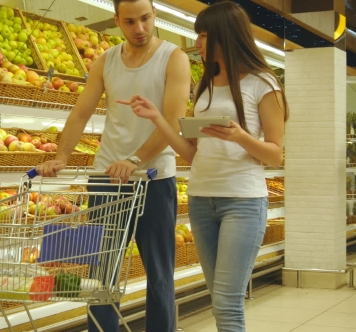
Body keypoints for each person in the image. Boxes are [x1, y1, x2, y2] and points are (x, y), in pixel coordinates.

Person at [117, 1, 289, 331]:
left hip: (243, 203)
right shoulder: (205, 86)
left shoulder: (263, 84)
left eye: (203, 35)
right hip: (201, 201)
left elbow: (275, 155)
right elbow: (193, 154)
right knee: (218, 298)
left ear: (227, 34)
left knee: (226, 303)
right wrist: (158, 118)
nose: (197, 43)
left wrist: (238, 135)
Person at [36, 0, 191, 330]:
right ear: (117, 21)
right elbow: (81, 113)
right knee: (102, 274)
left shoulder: (174, 58)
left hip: (154, 179)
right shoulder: (105, 61)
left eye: (146, 19)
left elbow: (174, 121)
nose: (140, 29)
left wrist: (134, 159)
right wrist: (62, 155)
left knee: (159, 274)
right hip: (107, 179)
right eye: (131, 22)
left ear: (155, 15)